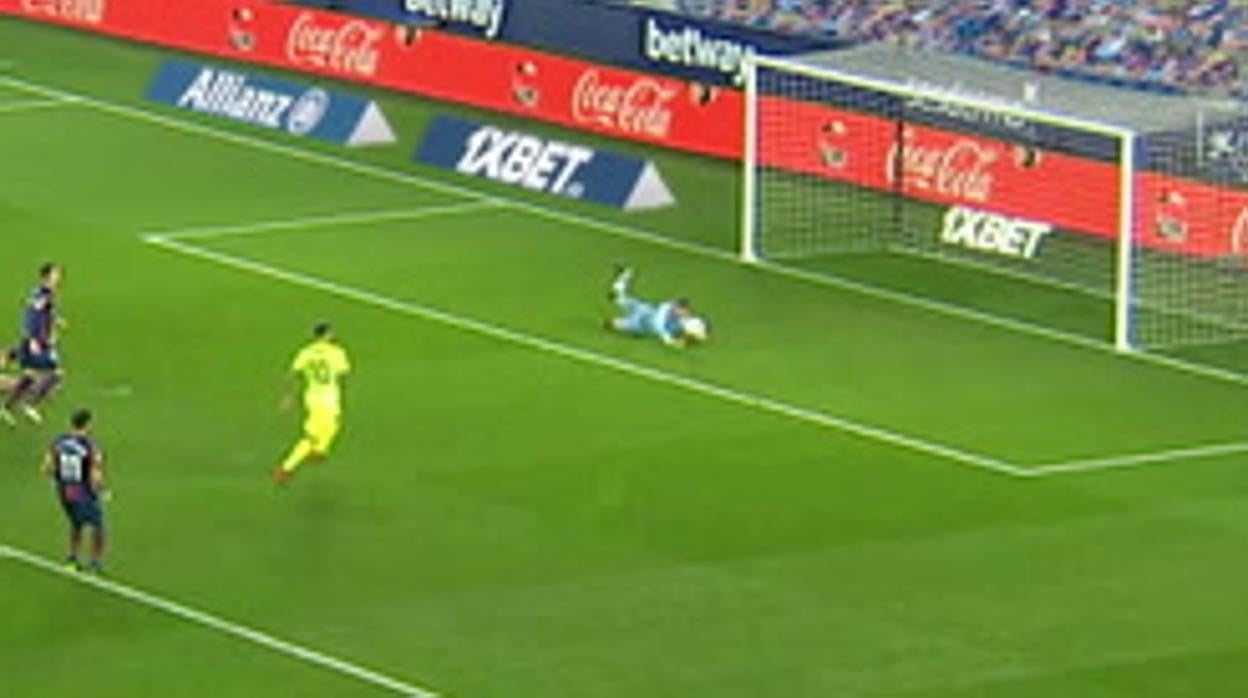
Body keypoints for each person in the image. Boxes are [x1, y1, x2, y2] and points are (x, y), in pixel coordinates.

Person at [274, 322, 351, 485]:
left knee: (333, 425)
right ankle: (286, 468)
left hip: (312, 397)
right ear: (328, 335)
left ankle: (319, 451)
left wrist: (287, 396)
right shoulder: (337, 352)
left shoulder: (306, 353)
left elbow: (292, 374)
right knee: (312, 436)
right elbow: (343, 372)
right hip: (329, 398)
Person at [41, 408, 107, 574]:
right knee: (97, 525)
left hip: (64, 489)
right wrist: (101, 490)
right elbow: (95, 474)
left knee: (76, 523)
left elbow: (46, 468)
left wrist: (61, 477)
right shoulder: (90, 446)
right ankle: (95, 562)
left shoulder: (59, 441)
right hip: (81, 489)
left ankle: (72, 559)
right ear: (87, 424)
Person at [3, 262, 66, 425]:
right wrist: (33, 339)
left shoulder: (45, 293)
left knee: (29, 376)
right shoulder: (43, 294)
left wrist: (56, 320)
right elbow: (31, 315)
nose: (59, 276)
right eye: (55, 273)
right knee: (56, 375)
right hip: (38, 342)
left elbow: (44, 312)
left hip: (38, 341)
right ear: (46, 277)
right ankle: (30, 405)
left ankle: (8, 407)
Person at [606, 266, 709, 347]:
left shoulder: (682, 318)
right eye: (682, 310)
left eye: (685, 311)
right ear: (676, 307)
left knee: (619, 305)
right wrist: (671, 340)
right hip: (642, 317)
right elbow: (660, 326)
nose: (685, 313)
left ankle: (623, 278)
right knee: (612, 321)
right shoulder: (666, 309)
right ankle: (623, 279)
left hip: (644, 322)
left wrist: (699, 335)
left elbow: (694, 323)